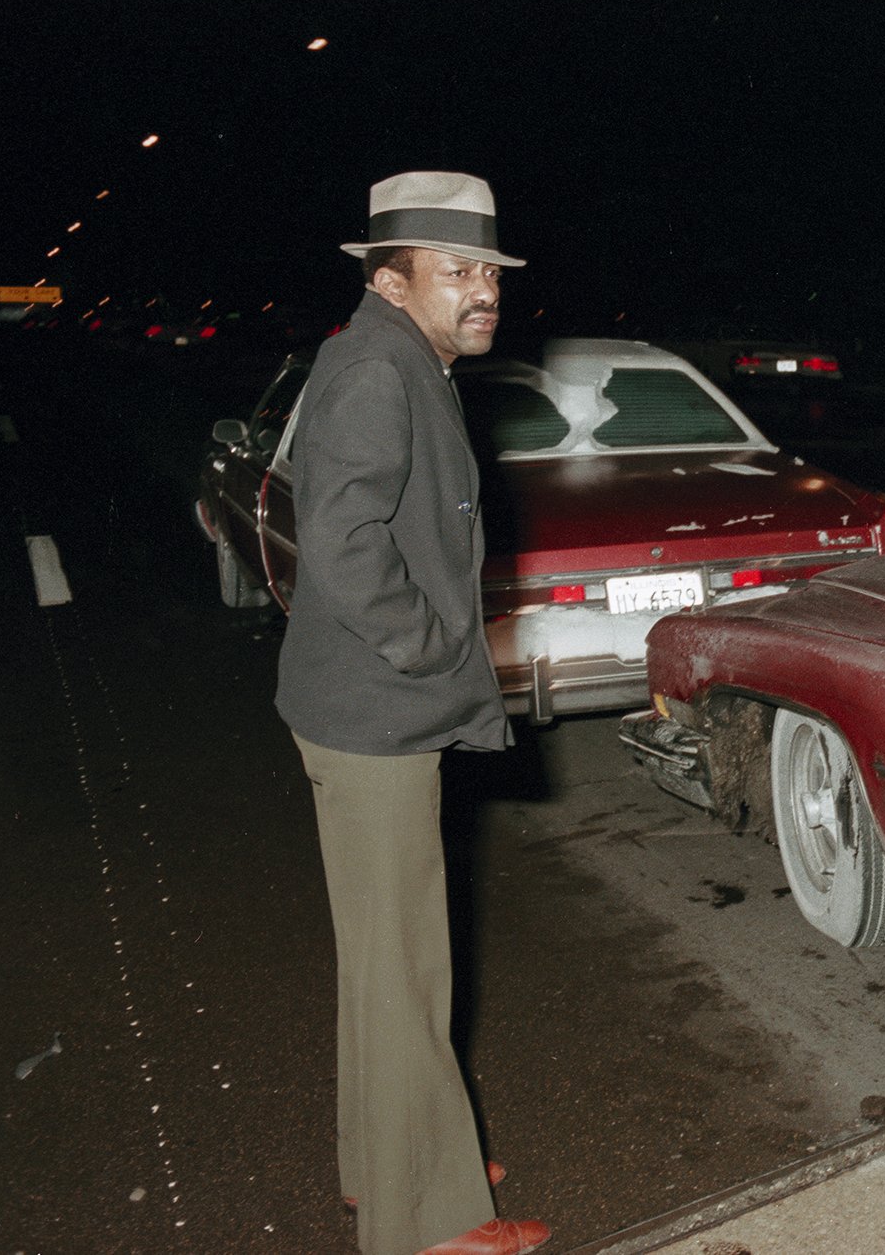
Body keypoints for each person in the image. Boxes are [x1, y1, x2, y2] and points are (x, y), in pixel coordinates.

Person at [275, 172, 549, 1255]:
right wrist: (431, 645)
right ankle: (427, 1223)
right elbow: (339, 541)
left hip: (358, 707)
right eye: (457, 273)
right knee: (405, 969)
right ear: (391, 278)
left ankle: (388, 1160)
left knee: (381, 963)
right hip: (374, 713)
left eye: (488, 270)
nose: (482, 291)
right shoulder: (376, 371)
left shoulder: (396, 356)